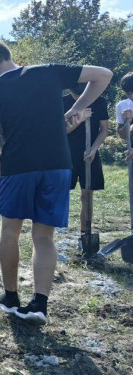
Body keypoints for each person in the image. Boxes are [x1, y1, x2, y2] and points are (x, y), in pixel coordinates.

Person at [0, 41, 111, 327]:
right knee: (44, 236)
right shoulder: (48, 72)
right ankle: (39, 305)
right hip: (58, 166)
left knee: (10, 232)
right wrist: (77, 107)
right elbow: (104, 75)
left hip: (17, 168)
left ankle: (10, 297)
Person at [63, 83, 108, 254]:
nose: (77, 99)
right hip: (67, 154)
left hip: (90, 153)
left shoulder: (99, 102)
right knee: (61, 192)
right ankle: (49, 231)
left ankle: (85, 233)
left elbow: (104, 130)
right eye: (74, 96)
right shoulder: (63, 102)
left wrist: (94, 148)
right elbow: (60, 131)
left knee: (87, 195)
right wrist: (79, 118)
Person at [115, 72, 133, 141]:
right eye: (129, 94)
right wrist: (127, 122)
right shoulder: (122, 105)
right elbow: (123, 136)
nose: (132, 96)